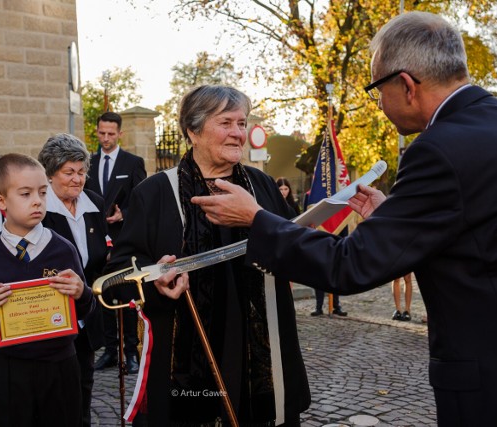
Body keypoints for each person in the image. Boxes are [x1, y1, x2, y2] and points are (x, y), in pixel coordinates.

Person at [191, 12, 497, 425]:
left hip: (492, 376)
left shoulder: (436, 150)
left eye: (376, 90)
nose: (379, 104)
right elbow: (482, 236)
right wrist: (396, 221)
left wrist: (256, 219)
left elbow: (349, 266)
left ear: (406, 85)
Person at [106, 85, 310, 426]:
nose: (238, 134)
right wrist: (156, 280)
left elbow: (291, 248)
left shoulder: (261, 186)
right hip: (187, 353)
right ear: (193, 130)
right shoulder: (155, 193)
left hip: (259, 349)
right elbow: (118, 275)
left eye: (242, 123)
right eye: (226, 123)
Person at [0, 153, 93, 427]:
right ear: (1, 201)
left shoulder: (63, 249)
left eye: (42, 192)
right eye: (25, 194)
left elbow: (86, 308)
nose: (37, 200)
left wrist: (81, 292)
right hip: (9, 368)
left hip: (60, 364)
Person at [38, 134, 110, 426]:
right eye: (69, 172)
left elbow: (100, 255)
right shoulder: (39, 208)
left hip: (86, 311)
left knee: (84, 383)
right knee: (51, 389)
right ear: (51, 173)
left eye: (82, 172)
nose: (78, 179)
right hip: (49, 315)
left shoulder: (95, 203)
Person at [85, 111, 146, 374]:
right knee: (103, 294)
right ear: (97, 132)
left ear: (120, 133)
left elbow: (143, 200)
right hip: (97, 239)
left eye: (111, 133)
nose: (106, 138)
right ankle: (110, 350)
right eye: (102, 133)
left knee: (128, 294)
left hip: (125, 239)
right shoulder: (88, 161)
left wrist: (126, 213)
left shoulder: (133, 162)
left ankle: (131, 351)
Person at [302, 189, 347, 317]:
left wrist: (344, 239)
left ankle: (336, 305)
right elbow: (307, 216)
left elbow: (343, 215)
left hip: (336, 237)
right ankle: (319, 306)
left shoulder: (339, 191)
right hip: (318, 237)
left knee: (336, 274)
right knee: (318, 273)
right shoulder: (310, 195)